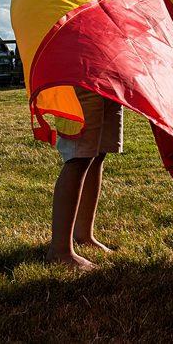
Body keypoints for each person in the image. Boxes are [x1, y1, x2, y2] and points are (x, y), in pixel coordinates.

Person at [45, 87, 123, 270]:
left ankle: (84, 235)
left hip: (109, 75)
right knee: (80, 156)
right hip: (81, 75)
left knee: (98, 153)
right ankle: (59, 251)